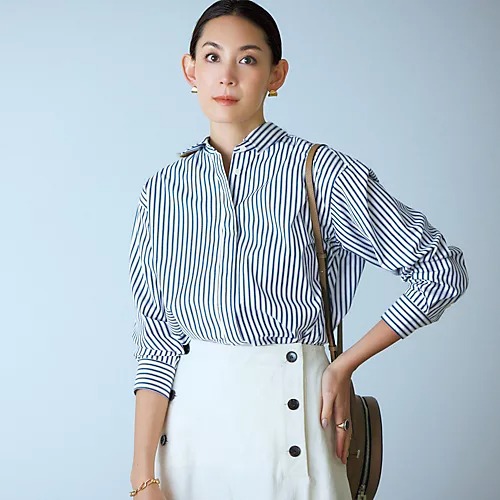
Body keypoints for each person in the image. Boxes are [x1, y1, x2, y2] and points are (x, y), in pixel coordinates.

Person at [127, 1, 469, 499]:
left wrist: (343, 364)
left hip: (294, 423)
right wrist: (143, 477)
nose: (227, 76)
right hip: (187, 443)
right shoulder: (162, 190)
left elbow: (442, 271)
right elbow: (156, 340)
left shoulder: (323, 173)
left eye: (247, 59)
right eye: (212, 57)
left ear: (276, 75)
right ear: (190, 70)